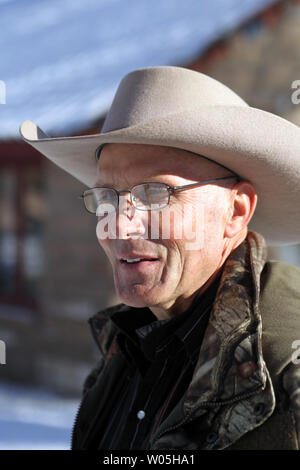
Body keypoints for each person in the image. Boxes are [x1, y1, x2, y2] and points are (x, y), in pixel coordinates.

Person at [20, 66, 300, 450]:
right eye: (107, 197)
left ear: (235, 211)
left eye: (155, 194)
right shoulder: (126, 351)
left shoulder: (286, 369)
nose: (118, 225)